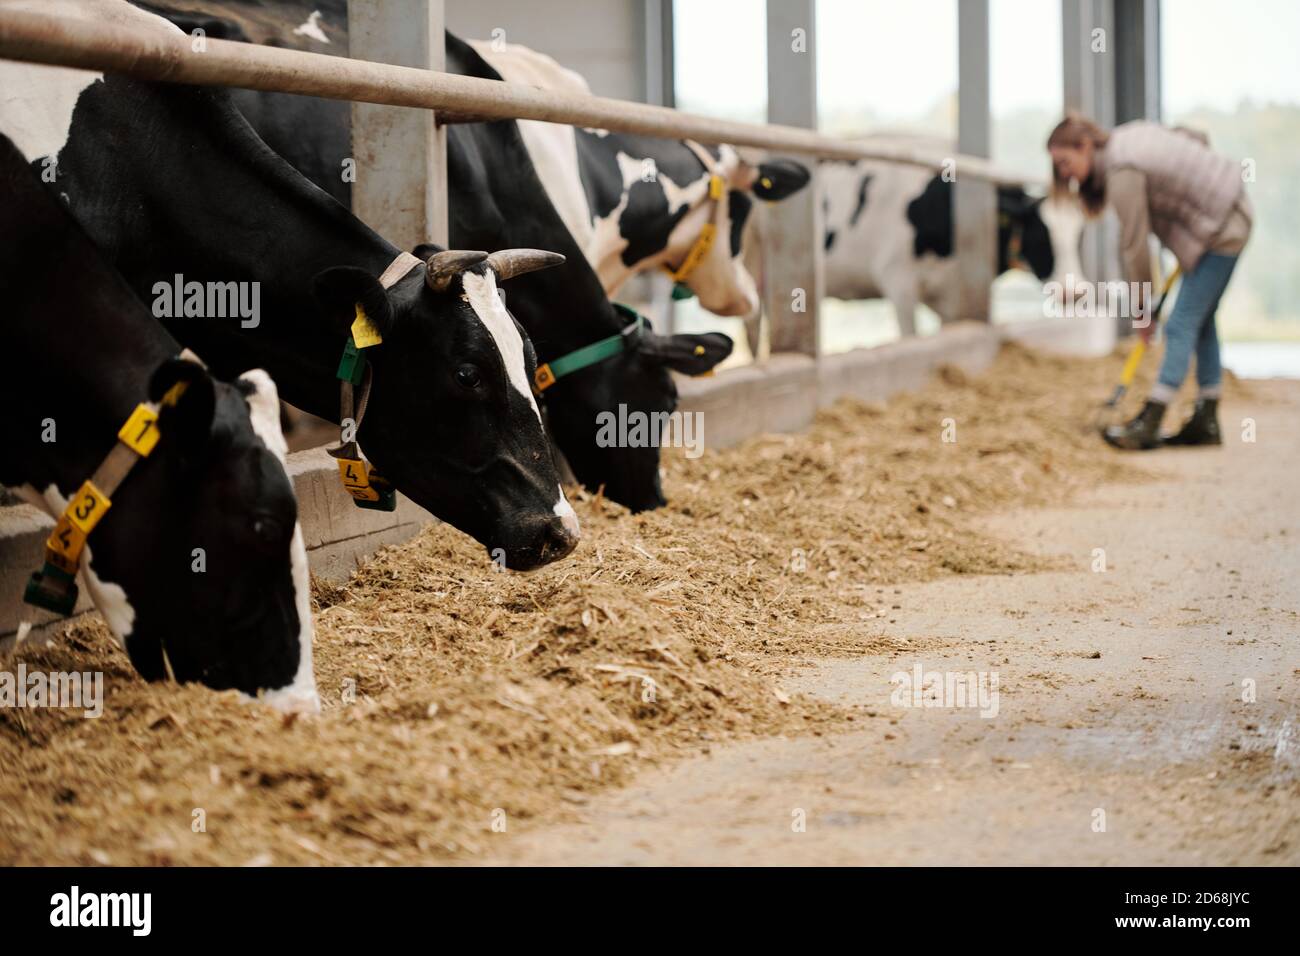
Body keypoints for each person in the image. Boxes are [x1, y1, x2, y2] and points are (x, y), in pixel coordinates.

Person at [1047, 114, 1252, 449]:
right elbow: (1194, 136)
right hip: (1225, 217)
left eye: (1065, 163)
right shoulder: (1128, 139)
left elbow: (1135, 246)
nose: (1063, 174)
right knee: (1200, 321)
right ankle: (1206, 418)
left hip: (1222, 228)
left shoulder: (1121, 169)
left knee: (1180, 324)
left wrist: (1143, 312)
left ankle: (1151, 418)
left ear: (1085, 146)